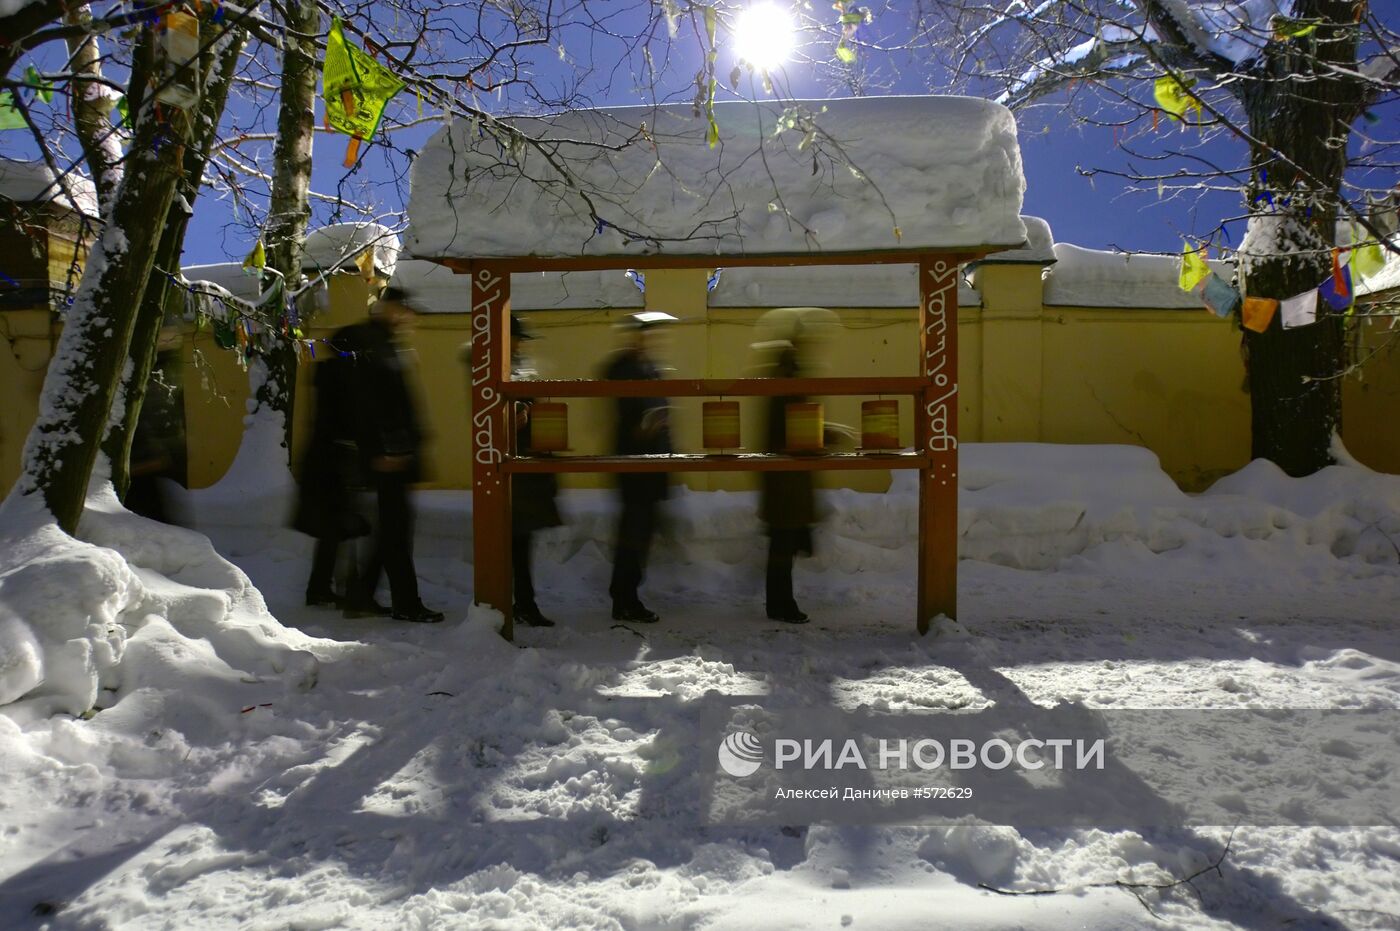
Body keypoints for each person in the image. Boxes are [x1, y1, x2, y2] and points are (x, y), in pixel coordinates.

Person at [334, 285, 445, 624]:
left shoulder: (385, 343)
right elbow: (371, 404)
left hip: (396, 452)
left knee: (391, 530)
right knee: (395, 530)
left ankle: (362, 597)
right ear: (389, 308)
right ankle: (405, 603)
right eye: (404, 309)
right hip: (389, 454)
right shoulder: (372, 345)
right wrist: (387, 449)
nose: (409, 317)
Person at [756, 309, 841, 624]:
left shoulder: (786, 374)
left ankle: (780, 603)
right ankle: (780, 605)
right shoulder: (789, 378)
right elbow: (795, 425)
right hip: (786, 477)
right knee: (783, 543)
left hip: (787, 476)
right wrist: (825, 435)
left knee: (785, 543)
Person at [602, 311, 677, 623]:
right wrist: (646, 426)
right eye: (646, 334)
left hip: (652, 465)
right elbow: (628, 413)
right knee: (633, 534)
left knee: (641, 535)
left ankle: (627, 595)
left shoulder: (651, 368)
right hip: (634, 465)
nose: (650, 340)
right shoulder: (623, 367)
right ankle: (624, 598)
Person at [292, 339, 370, 608]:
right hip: (339, 460)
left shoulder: (326, 374)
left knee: (333, 529)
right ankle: (345, 586)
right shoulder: (345, 378)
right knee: (342, 526)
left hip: (324, 461)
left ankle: (322, 587)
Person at [509, 315, 562, 627]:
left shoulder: (516, 364)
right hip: (519, 467)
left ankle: (523, 602)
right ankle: (521, 603)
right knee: (517, 541)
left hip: (527, 464)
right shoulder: (501, 365)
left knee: (520, 541)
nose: (522, 343)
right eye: (518, 338)